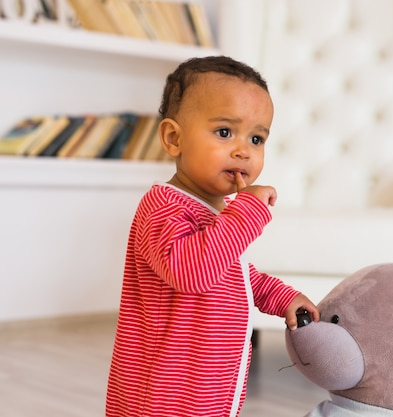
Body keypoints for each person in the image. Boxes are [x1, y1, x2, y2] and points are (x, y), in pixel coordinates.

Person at [105, 55, 320, 417]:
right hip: (162, 398)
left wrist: (282, 296)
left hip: (206, 391)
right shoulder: (163, 207)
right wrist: (247, 211)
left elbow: (236, 276)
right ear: (174, 138)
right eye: (224, 132)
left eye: (256, 138)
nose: (243, 150)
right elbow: (194, 272)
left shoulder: (216, 216)